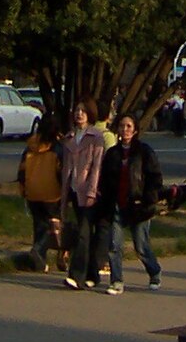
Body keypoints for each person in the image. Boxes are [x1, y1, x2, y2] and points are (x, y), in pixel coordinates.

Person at [94, 111, 164, 292]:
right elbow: (105, 179)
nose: (125, 130)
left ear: (135, 130)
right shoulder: (112, 153)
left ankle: (154, 271)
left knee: (140, 246)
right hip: (117, 205)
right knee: (114, 246)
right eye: (122, 126)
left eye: (129, 126)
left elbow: (155, 178)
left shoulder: (144, 152)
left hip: (138, 206)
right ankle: (116, 281)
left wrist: (148, 198)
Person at [59, 98, 106, 288]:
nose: (79, 114)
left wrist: (92, 192)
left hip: (89, 192)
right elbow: (66, 169)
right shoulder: (69, 137)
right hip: (72, 189)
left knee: (84, 234)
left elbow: (96, 167)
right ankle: (92, 274)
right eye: (77, 110)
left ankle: (76, 275)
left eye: (83, 111)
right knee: (84, 233)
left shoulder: (96, 137)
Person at [17, 111, 63, 272]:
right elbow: (61, 171)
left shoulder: (31, 145)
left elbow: (22, 171)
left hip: (32, 191)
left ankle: (40, 261)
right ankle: (38, 250)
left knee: (39, 225)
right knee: (52, 226)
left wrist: (23, 189)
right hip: (52, 192)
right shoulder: (57, 148)